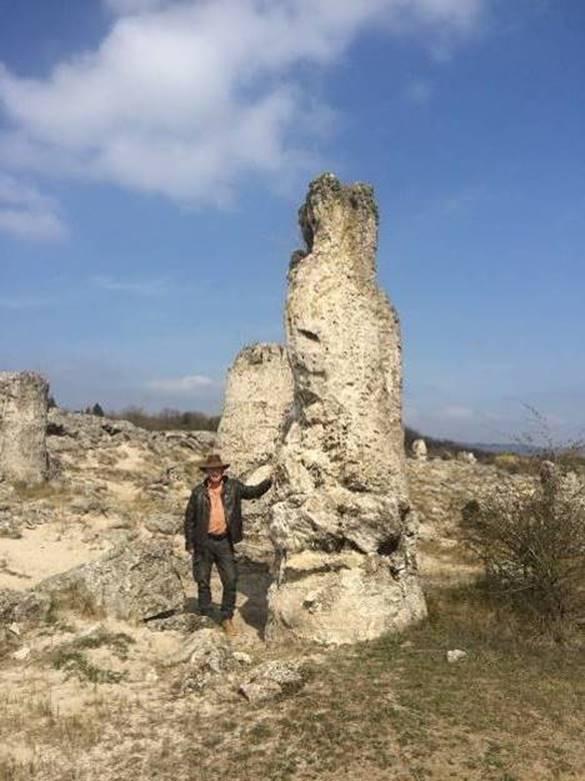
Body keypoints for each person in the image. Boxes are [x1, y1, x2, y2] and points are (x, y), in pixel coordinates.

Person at [184, 453, 272, 635]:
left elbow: (253, 492)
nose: (214, 472)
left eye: (217, 469)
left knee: (230, 580)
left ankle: (226, 618)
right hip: (203, 542)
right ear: (207, 472)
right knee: (202, 580)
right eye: (211, 470)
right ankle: (206, 616)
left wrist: (270, 481)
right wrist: (189, 543)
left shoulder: (234, 487)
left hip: (224, 541)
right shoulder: (198, 492)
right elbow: (189, 520)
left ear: (223, 470)